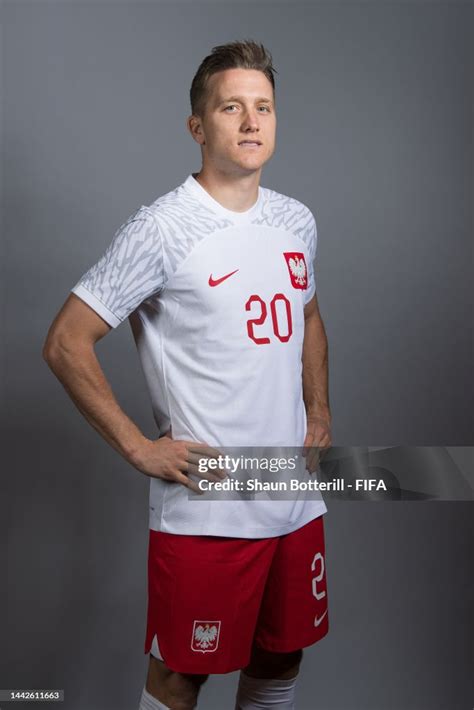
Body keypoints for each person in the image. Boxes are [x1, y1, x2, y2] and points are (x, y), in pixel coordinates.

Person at [43, 39, 332, 710]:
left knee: (280, 655)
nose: (252, 122)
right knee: (181, 676)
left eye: (264, 107)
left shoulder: (297, 221)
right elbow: (65, 342)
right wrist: (139, 447)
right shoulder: (164, 229)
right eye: (233, 107)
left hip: (292, 500)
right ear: (199, 127)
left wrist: (318, 411)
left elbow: (310, 318)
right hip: (209, 512)